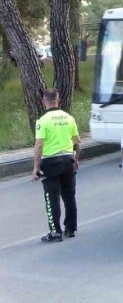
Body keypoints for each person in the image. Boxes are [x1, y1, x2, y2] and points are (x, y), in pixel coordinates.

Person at [31, 89, 82, 243]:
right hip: (68, 161)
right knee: (69, 196)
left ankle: (55, 232)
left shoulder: (42, 120)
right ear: (58, 100)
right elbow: (78, 142)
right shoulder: (69, 118)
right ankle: (71, 228)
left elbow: (39, 145)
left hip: (51, 163)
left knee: (52, 198)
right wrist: (76, 159)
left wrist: (35, 167)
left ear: (43, 101)